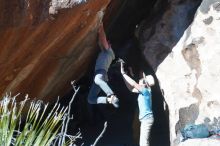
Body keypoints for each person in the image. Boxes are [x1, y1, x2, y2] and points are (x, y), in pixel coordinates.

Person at [120, 61, 155, 146]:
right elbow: (131, 88)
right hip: (145, 119)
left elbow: (134, 84)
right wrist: (123, 76)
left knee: (144, 143)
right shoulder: (145, 91)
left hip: (146, 119)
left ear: (144, 83)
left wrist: (123, 73)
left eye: (142, 80)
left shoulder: (145, 91)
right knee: (144, 142)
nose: (140, 80)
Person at [87, 23, 119, 108]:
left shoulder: (110, 52)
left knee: (97, 79)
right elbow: (100, 41)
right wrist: (99, 33)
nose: (105, 43)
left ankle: (112, 95)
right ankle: (109, 100)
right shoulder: (104, 52)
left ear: (110, 45)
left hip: (101, 73)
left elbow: (103, 40)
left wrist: (101, 27)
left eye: (108, 43)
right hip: (99, 75)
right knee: (90, 99)